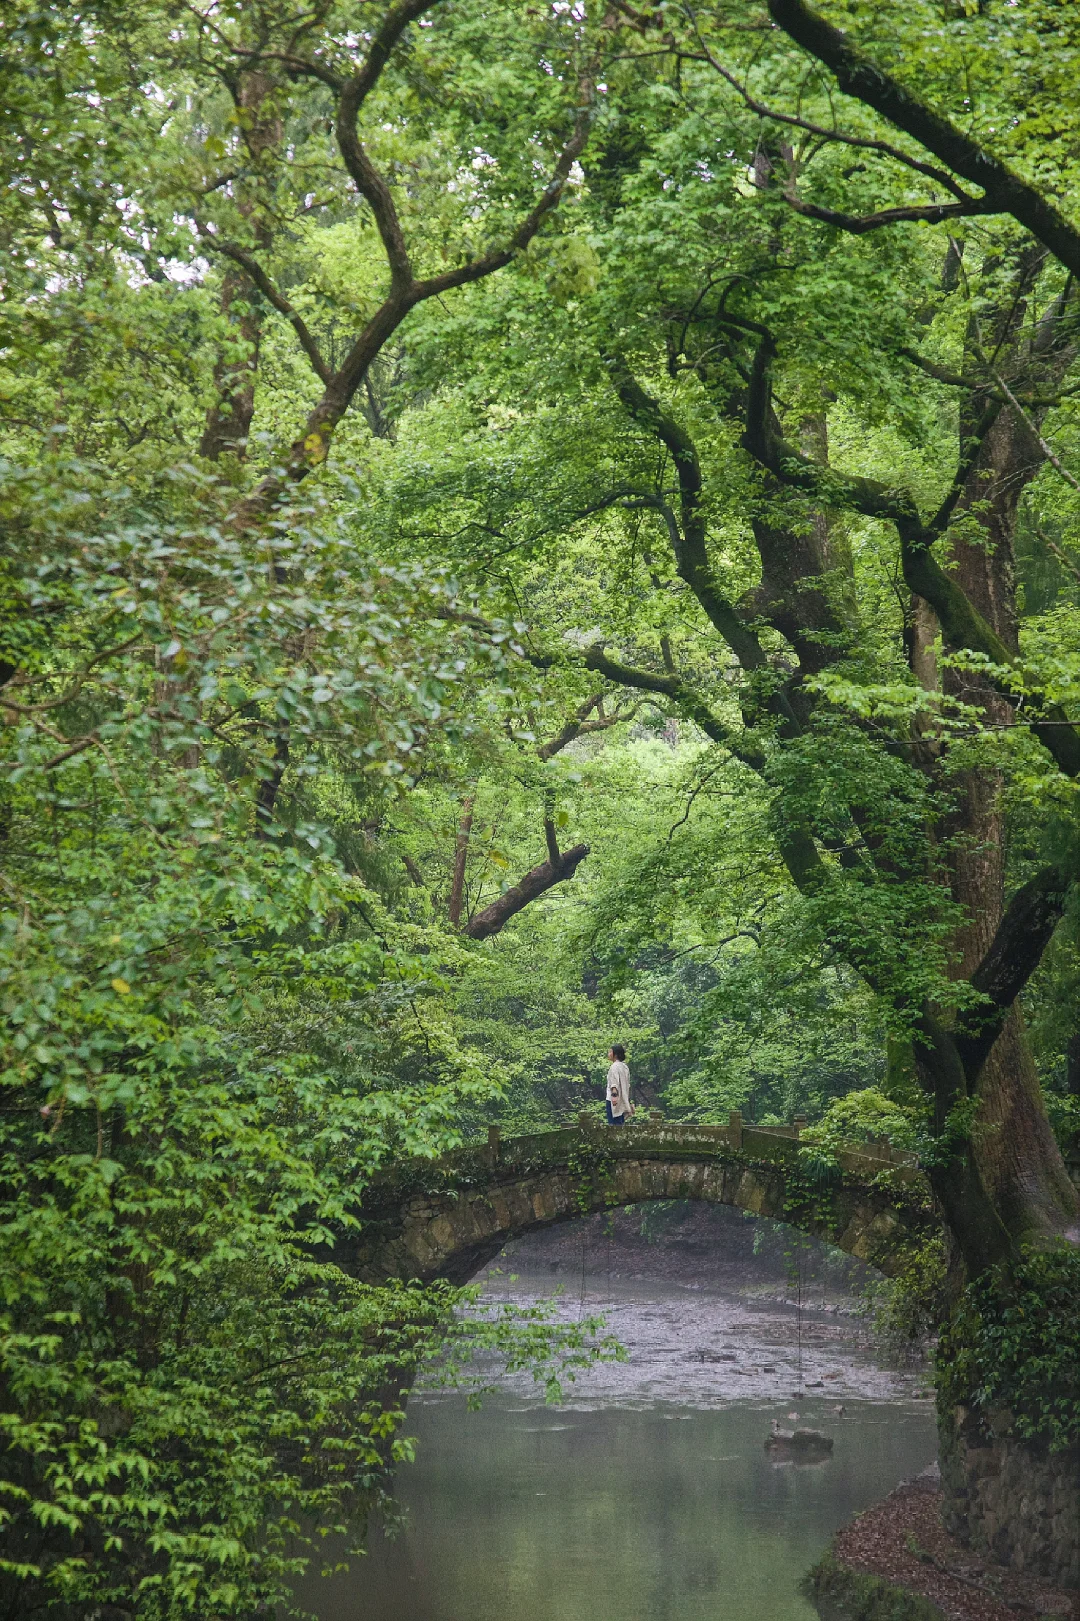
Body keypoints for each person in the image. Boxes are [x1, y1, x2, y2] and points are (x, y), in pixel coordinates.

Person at [605, 1044, 634, 1126]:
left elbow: (614, 1083)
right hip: (623, 1099)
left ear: (616, 1054)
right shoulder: (625, 1067)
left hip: (613, 1100)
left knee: (614, 1124)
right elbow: (627, 1085)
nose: (609, 1054)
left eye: (610, 1052)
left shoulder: (614, 1067)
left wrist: (614, 1097)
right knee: (620, 1123)